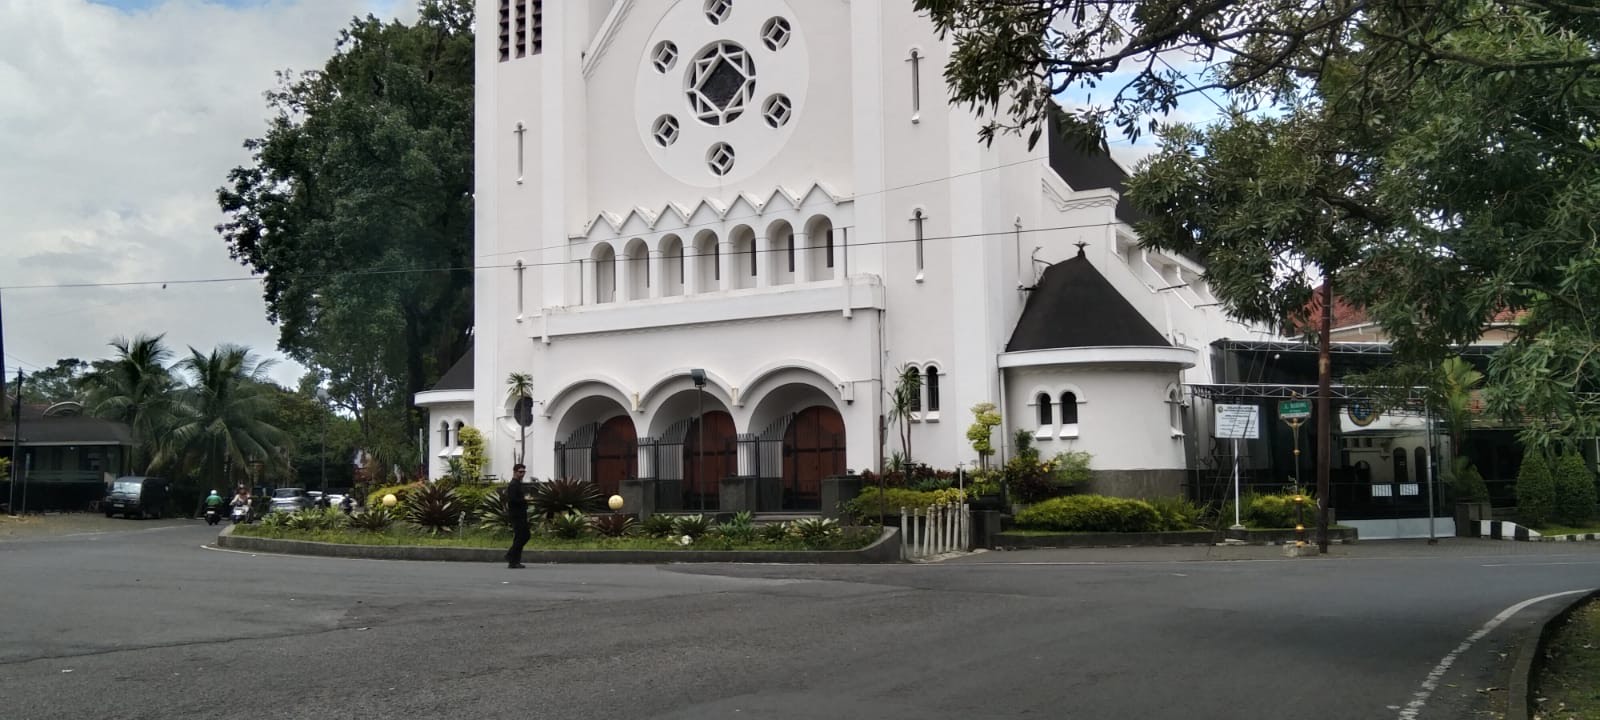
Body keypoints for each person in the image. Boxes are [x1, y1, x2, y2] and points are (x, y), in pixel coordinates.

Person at [505, 464, 530, 569]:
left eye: (524, 472)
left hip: (521, 514)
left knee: (519, 537)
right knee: (524, 536)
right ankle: (511, 555)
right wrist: (524, 500)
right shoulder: (513, 485)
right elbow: (512, 500)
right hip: (516, 515)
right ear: (515, 472)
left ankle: (514, 561)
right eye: (520, 472)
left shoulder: (518, 484)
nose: (522, 474)